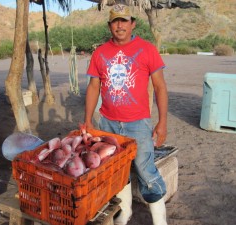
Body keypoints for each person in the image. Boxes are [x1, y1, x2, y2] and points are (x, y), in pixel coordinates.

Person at [84, 4, 168, 225]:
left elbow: (160, 87)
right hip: (107, 123)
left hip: (138, 123)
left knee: (145, 171)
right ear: (109, 25)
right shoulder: (100, 52)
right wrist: (87, 120)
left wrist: (162, 122)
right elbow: (93, 87)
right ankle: (125, 214)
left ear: (133, 24)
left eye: (124, 20)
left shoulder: (148, 49)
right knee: (115, 171)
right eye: (115, 21)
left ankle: (160, 222)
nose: (119, 25)